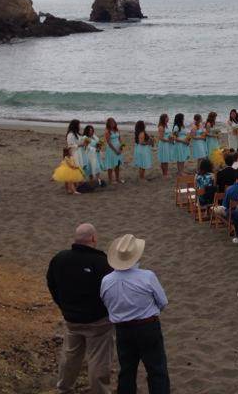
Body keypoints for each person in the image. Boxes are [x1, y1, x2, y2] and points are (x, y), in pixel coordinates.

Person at [47, 224, 114, 394]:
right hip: (98, 321)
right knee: (98, 359)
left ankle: (64, 387)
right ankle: (99, 391)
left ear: (76, 239)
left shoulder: (60, 258)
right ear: (93, 239)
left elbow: (51, 283)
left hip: (72, 319)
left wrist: (63, 305)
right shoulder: (101, 262)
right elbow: (110, 292)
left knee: (70, 355)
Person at [99, 234, 170, 394]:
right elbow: (163, 302)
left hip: (123, 329)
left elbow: (106, 302)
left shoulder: (107, 280)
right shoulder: (147, 276)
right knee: (157, 369)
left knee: (127, 370)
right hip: (147, 326)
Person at [102, 118, 123, 185]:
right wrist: (115, 150)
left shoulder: (117, 130)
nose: (112, 124)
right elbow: (109, 142)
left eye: (113, 122)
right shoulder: (107, 131)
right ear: (108, 124)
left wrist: (121, 147)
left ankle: (117, 179)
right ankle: (110, 180)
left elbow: (119, 139)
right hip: (111, 149)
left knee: (118, 164)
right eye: (111, 123)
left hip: (118, 147)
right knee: (110, 165)